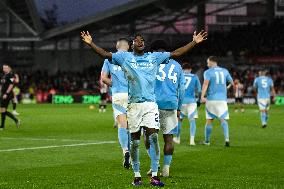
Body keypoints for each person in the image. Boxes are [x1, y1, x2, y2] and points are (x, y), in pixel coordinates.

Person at [81, 30, 207, 187]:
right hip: (133, 105)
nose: (140, 42)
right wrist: (91, 43)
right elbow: (105, 54)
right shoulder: (124, 57)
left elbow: (177, 53)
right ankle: (137, 175)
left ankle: (154, 175)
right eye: (137, 40)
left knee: (153, 138)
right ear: (132, 44)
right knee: (134, 141)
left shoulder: (153, 57)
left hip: (150, 105)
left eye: (143, 40)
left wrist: (194, 42)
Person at [145, 40, 185, 177]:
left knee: (149, 137)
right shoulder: (177, 66)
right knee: (169, 138)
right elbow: (182, 89)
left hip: (153, 104)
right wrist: (179, 107)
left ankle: (154, 166)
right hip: (171, 104)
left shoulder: (151, 63)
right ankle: (166, 168)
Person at [101, 38, 131, 169]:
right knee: (131, 127)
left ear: (117, 46)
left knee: (121, 125)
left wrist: (114, 85)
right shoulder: (134, 57)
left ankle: (125, 150)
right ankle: (133, 155)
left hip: (118, 94)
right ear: (128, 47)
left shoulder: (109, 59)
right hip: (132, 94)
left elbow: (103, 77)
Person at [200, 56, 233, 147]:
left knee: (209, 120)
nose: (207, 64)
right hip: (222, 100)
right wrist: (226, 88)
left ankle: (207, 141)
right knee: (223, 120)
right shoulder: (225, 71)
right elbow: (232, 82)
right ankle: (227, 139)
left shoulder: (208, 72)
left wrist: (202, 96)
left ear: (212, 62)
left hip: (211, 100)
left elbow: (205, 84)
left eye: (208, 62)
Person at [174, 63, 201, 145]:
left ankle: (178, 139)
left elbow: (175, 89)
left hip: (181, 102)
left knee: (179, 120)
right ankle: (192, 140)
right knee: (192, 121)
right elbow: (199, 90)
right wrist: (199, 100)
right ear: (190, 69)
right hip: (192, 102)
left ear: (182, 69)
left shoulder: (179, 76)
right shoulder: (195, 77)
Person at [0, 64, 20, 130]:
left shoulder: (10, 75)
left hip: (7, 95)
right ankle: (16, 120)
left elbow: (11, 85)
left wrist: (6, 93)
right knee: (3, 110)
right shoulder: (4, 75)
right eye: (4, 68)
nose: (5, 69)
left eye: (6, 68)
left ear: (9, 68)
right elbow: (2, 85)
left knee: (2, 110)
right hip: (3, 94)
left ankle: (2, 126)